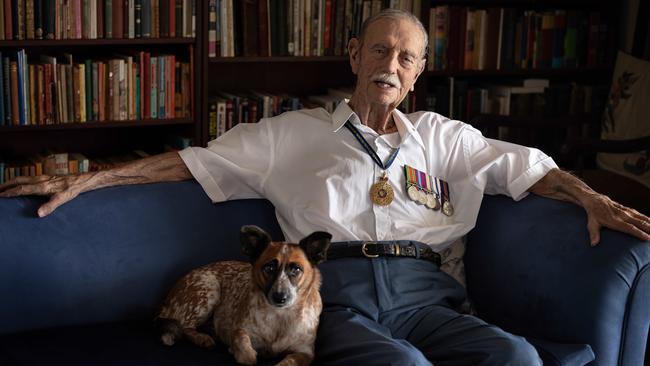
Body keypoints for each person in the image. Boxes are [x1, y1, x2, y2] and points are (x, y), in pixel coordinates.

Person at [1, 9, 649, 366]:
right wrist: (86, 178)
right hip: (337, 297)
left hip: (431, 295)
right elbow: (189, 162)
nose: (389, 65)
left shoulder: (444, 137)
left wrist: (591, 196)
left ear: (418, 74)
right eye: (378, 51)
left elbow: (529, 167)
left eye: (405, 57)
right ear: (354, 57)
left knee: (517, 360)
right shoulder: (294, 134)